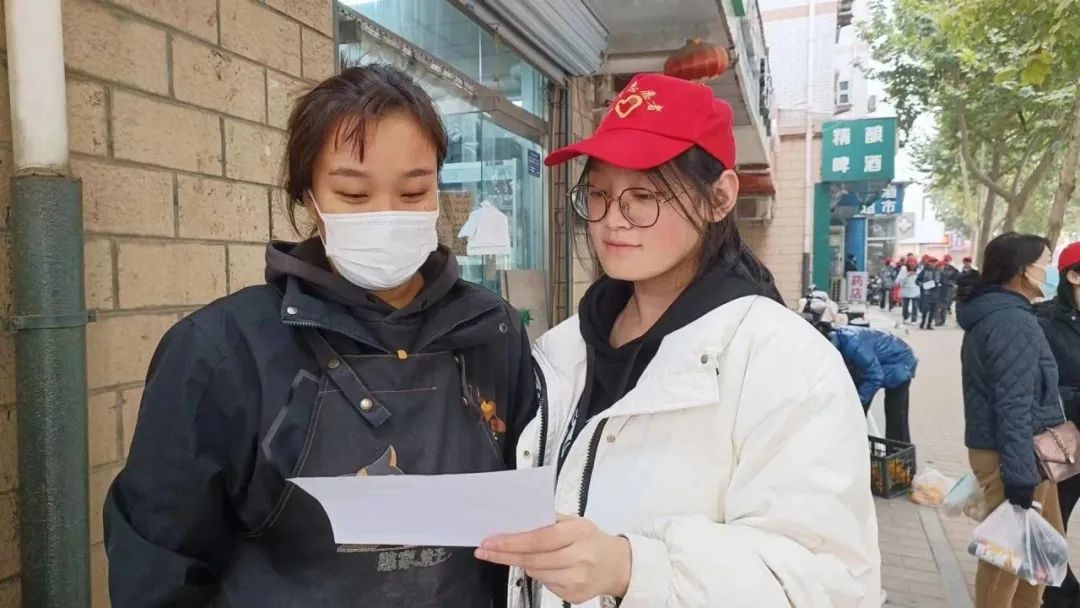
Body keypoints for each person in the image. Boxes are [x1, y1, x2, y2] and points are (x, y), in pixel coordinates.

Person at [103, 65, 539, 607]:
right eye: (353, 194)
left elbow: (533, 523)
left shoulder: (492, 330)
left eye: (413, 191)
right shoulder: (222, 351)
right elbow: (159, 565)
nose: (386, 215)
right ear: (308, 197)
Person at [475, 74, 880, 607]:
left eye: (643, 196)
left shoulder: (786, 364)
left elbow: (825, 583)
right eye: (598, 194)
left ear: (720, 197)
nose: (612, 221)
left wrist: (632, 570)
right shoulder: (563, 348)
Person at [958, 232, 1065, 608]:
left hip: (1029, 452)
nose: (1051, 271)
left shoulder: (1009, 314)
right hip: (1014, 454)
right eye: (1046, 263)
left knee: (1041, 550)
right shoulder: (1009, 321)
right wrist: (1019, 477)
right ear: (1023, 270)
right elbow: (1014, 403)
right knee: (1007, 558)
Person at [1036, 241, 1080, 608]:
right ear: (1073, 276)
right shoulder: (1044, 323)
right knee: (1052, 521)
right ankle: (1057, 594)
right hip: (1064, 444)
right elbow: (1039, 387)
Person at [817, 323, 917, 443]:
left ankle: (897, 450)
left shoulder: (852, 345)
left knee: (895, 415)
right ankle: (855, 442)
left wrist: (860, 400)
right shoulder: (838, 340)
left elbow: (875, 376)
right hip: (878, 364)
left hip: (901, 362)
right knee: (856, 409)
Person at [916, 257, 942, 330]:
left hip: (935, 293)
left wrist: (940, 285)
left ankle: (929, 324)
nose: (933, 264)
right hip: (927, 293)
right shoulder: (924, 271)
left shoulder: (939, 271)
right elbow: (917, 281)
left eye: (934, 262)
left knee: (933, 309)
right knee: (925, 309)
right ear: (929, 262)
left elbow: (942, 280)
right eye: (931, 262)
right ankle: (923, 322)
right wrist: (923, 285)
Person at [936, 255, 960, 326]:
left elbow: (956, 279)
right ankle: (938, 320)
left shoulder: (953, 270)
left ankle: (942, 320)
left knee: (945, 305)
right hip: (939, 289)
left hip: (948, 289)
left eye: (947, 260)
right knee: (938, 305)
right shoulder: (939, 267)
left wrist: (951, 283)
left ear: (950, 261)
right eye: (945, 260)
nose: (946, 262)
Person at [897, 258, 921, 324]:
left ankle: (914, 320)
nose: (912, 266)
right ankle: (905, 317)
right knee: (905, 306)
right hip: (906, 290)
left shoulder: (919, 271)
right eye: (911, 265)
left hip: (916, 290)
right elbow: (899, 281)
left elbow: (921, 280)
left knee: (915, 306)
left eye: (914, 265)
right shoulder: (903, 271)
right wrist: (907, 275)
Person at [956, 256, 980, 320]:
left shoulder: (975, 273)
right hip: (961, 293)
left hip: (970, 293)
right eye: (965, 262)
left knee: (969, 308)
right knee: (959, 308)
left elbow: (976, 282)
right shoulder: (960, 272)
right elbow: (957, 281)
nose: (966, 263)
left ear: (970, 263)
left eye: (968, 262)